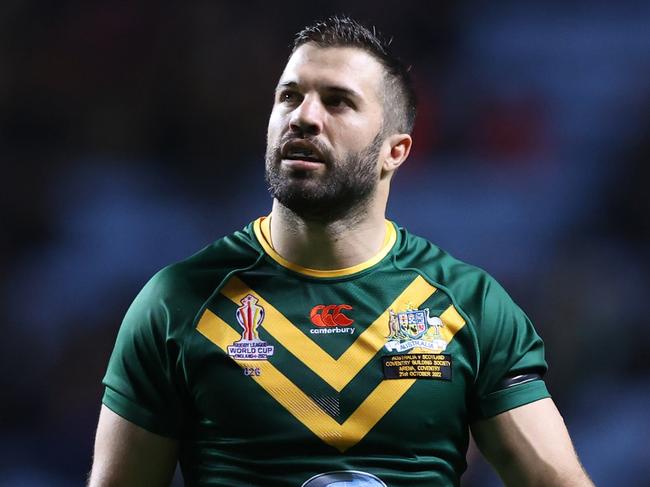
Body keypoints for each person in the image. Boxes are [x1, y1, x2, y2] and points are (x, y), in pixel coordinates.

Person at [88, 16, 594, 487]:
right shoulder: (176, 302)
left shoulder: (471, 306)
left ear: (395, 151)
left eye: (338, 102)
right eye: (289, 97)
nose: (304, 117)